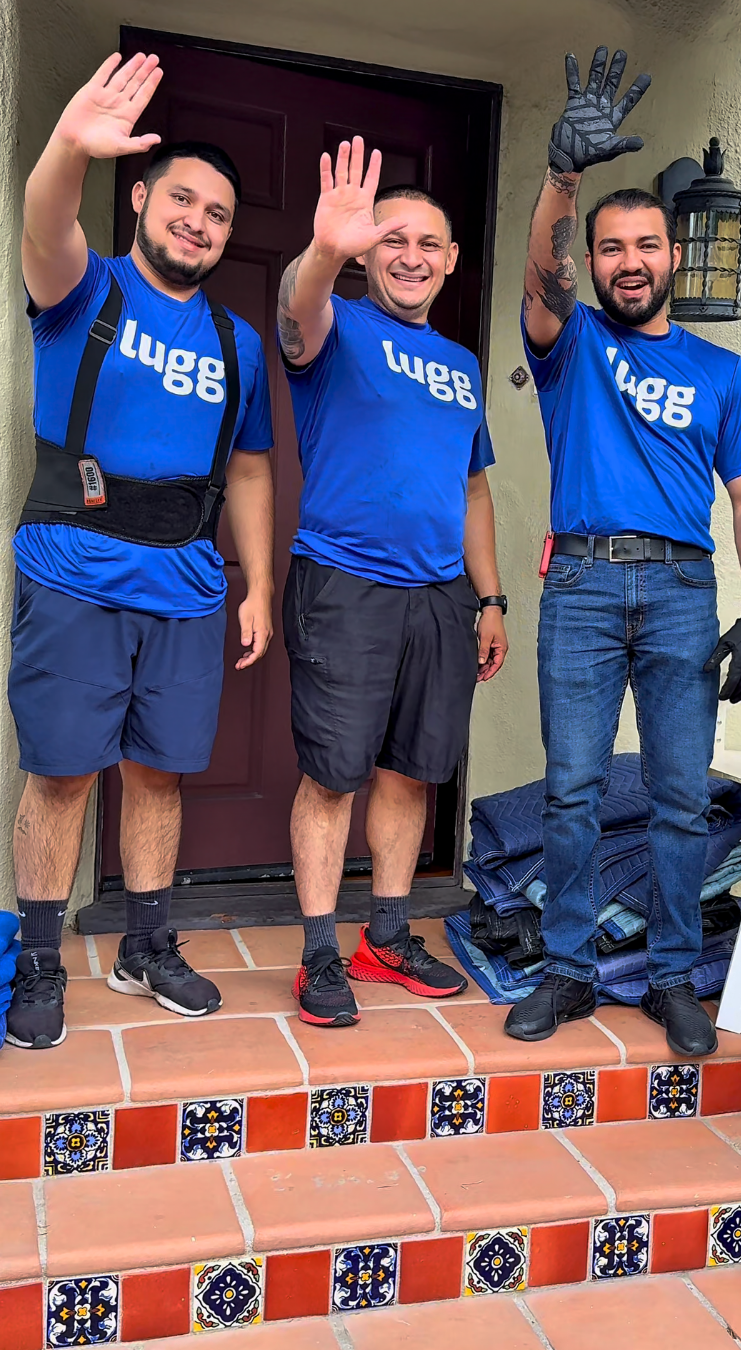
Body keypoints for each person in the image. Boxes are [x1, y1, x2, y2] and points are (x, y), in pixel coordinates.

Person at [505, 47, 741, 1057]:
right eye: (610, 246)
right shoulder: (569, 339)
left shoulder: (721, 371)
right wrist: (560, 180)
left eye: (646, 244)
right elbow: (541, 273)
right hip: (578, 580)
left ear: (672, 255)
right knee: (571, 788)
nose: (628, 260)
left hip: (677, 589)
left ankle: (671, 978)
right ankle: (570, 971)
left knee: (675, 794)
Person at [10, 51, 274, 1049]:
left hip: (187, 583)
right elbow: (44, 220)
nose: (199, 223)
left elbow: (248, 468)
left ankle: (145, 943)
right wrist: (67, 148)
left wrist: (254, 583)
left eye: (218, 216)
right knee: (64, 773)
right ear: (141, 201)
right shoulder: (84, 291)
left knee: (160, 774)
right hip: (72, 565)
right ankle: (41, 958)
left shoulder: (237, 342)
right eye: (184, 202)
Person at [277, 138, 507, 1028]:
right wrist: (325, 248)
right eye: (392, 240)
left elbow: (473, 486)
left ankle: (387, 933)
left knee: (412, 774)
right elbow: (296, 310)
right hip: (343, 584)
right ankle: (318, 951)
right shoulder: (333, 326)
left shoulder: (462, 365)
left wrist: (487, 598)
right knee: (333, 777)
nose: (410, 257)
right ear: (370, 254)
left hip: (440, 598)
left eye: (429, 245)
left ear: (449, 262)